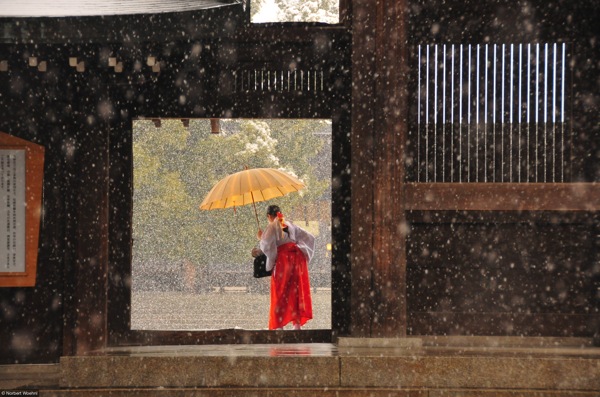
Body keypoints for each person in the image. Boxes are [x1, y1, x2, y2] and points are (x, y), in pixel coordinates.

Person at [253, 204, 315, 330]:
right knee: (296, 291)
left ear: (269, 216)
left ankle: (279, 325)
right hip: (297, 261)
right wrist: (302, 252)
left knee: (280, 292)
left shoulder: (272, 226)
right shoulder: (290, 225)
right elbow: (310, 238)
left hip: (283, 262)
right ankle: (297, 325)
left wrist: (261, 238)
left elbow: (267, 247)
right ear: (280, 213)